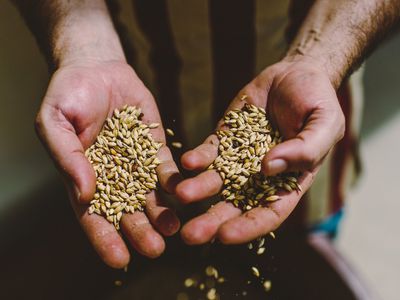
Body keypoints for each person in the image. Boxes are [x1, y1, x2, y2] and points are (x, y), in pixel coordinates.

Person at [13, 0, 400, 269]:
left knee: (301, 246)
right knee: (157, 243)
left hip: (297, 118)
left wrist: (318, 60)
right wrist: (85, 48)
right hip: (132, 80)